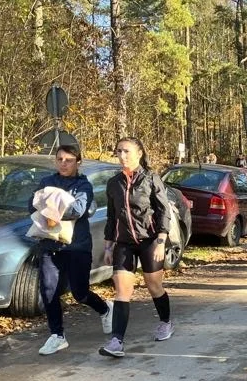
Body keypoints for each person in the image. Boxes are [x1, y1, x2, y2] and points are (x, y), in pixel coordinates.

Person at [32, 145, 113, 355]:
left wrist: (51, 207)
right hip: (50, 244)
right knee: (48, 290)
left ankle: (105, 309)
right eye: (60, 159)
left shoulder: (83, 185)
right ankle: (57, 335)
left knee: (80, 293)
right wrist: (53, 205)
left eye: (69, 160)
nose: (63, 163)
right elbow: (32, 204)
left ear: (78, 162)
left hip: (77, 246)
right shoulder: (46, 182)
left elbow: (78, 209)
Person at [99, 137, 174, 358]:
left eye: (126, 151)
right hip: (124, 242)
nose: (122, 156)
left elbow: (163, 211)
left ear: (139, 153)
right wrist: (108, 247)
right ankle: (116, 341)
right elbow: (112, 217)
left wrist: (161, 240)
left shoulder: (151, 179)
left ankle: (166, 322)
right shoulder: (114, 183)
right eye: (118, 151)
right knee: (122, 291)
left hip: (150, 241)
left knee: (153, 285)